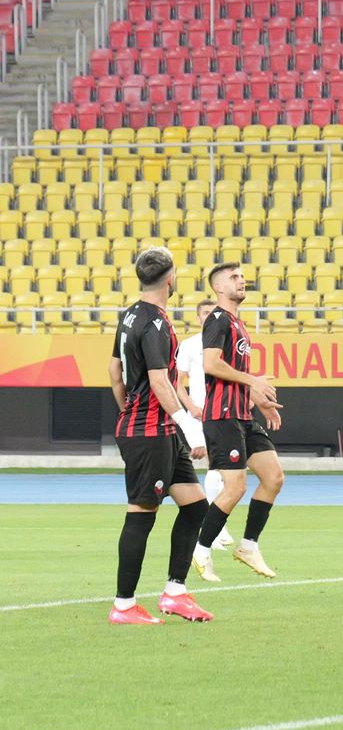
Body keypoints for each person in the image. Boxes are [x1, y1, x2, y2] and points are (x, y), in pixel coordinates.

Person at [109, 246, 213, 624]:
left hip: (155, 428)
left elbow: (114, 371)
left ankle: (175, 593)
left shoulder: (128, 315)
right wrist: (190, 426)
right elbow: (159, 382)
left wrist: (125, 407)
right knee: (142, 511)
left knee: (196, 506)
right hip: (151, 431)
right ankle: (123, 605)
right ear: (171, 279)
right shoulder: (155, 323)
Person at [191, 262, 285, 582]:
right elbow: (211, 364)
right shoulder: (217, 320)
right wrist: (254, 381)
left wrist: (259, 399)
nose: (241, 281)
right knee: (236, 486)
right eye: (234, 277)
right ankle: (201, 549)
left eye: (242, 276)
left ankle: (247, 545)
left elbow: (237, 378)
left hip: (243, 415)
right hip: (222, 417)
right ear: (219, 288)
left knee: (273, 478)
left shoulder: (238, 324)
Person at [175, 298, 234, 550]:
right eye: (205, 313)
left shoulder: (225, 343)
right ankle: (215, 527)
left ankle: (216, 526)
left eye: (213, 313)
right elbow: (176, 382)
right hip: (199, 413)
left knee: (222, 468)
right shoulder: (189, 346)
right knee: (215, 464)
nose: (210, 316)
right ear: (198, 318)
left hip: (222, 411)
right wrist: (190, 407)